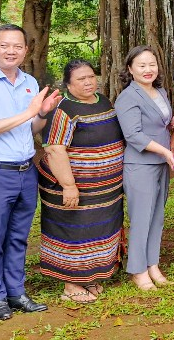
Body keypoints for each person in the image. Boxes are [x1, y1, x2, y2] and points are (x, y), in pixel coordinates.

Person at [0, 24, 61, 320]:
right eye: (5, 45)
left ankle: (16, 292)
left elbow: (31, 127)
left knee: (19, 237)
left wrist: (42, 113)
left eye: (17, 46)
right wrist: (29, 112)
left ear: (26, 51)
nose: (11, 51)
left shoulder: (30, 82)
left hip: (25, 171)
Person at [38, 60, 125, 303]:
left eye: (90, 76)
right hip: (73, 186)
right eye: (80, 79)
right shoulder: (63, 110)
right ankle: (70, 284)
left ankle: (90, 277)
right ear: (68, 84)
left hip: (106, 188)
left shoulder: (104, 101)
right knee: (75, 231)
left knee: (99, 229)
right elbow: (55, 149)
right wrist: (68, 185)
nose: (88, 82)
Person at [115, 46, 174, 291]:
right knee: (141, 219)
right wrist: (165, 151)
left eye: (152, 64)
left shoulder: (159, 91)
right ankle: (138, 270)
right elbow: (134, 135)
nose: (148, 69)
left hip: (161, 163)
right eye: (141, 65)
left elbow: (160, 124)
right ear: (130, 69)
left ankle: (153, 264)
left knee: (157, 217)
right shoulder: (128, 97)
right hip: (140, 165)